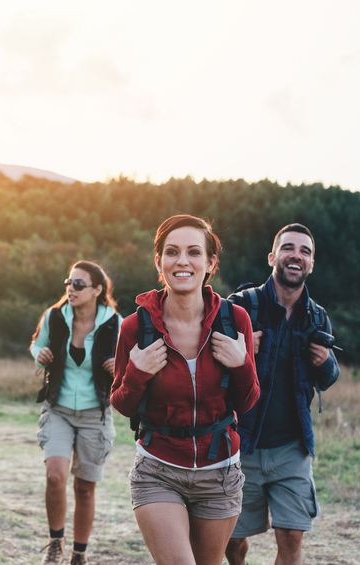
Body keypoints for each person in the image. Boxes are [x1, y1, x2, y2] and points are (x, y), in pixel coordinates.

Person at [111, 215, 260, 565]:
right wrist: (137, 372)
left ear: (210, 263)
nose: (182, 261)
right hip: (158, 469)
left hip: (220, 471)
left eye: (194, 252)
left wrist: (241, 364)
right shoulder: (136, 327)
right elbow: (121, 402)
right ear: (159, 262)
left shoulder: (234, 320)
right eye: (172, 252)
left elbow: (248, 400)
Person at [224, 223, 340, 565]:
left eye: (305, 251)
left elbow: (328, 379)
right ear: (273, 257)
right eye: (289, 248)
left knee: (291, 536)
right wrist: (243, 351)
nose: (297, 256)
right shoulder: (242, 307)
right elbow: (210, 368)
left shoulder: (317, 317)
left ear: (311, 264)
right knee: (232, 540)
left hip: (292, 447)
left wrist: (326, 362)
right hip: (241, 443)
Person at [30, 260, 122, 565]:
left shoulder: (115, 324)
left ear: (97, 290)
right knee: (55, 476)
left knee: (84, 488)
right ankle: (55, 543)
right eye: (69, 282)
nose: (71, 288)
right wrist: (40, 355)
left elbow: (133, 362)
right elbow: (37, 345)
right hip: (58, 410)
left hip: (96, 413)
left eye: (79, 284)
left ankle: (78, 554)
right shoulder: (54, 317)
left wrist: (120, 368)